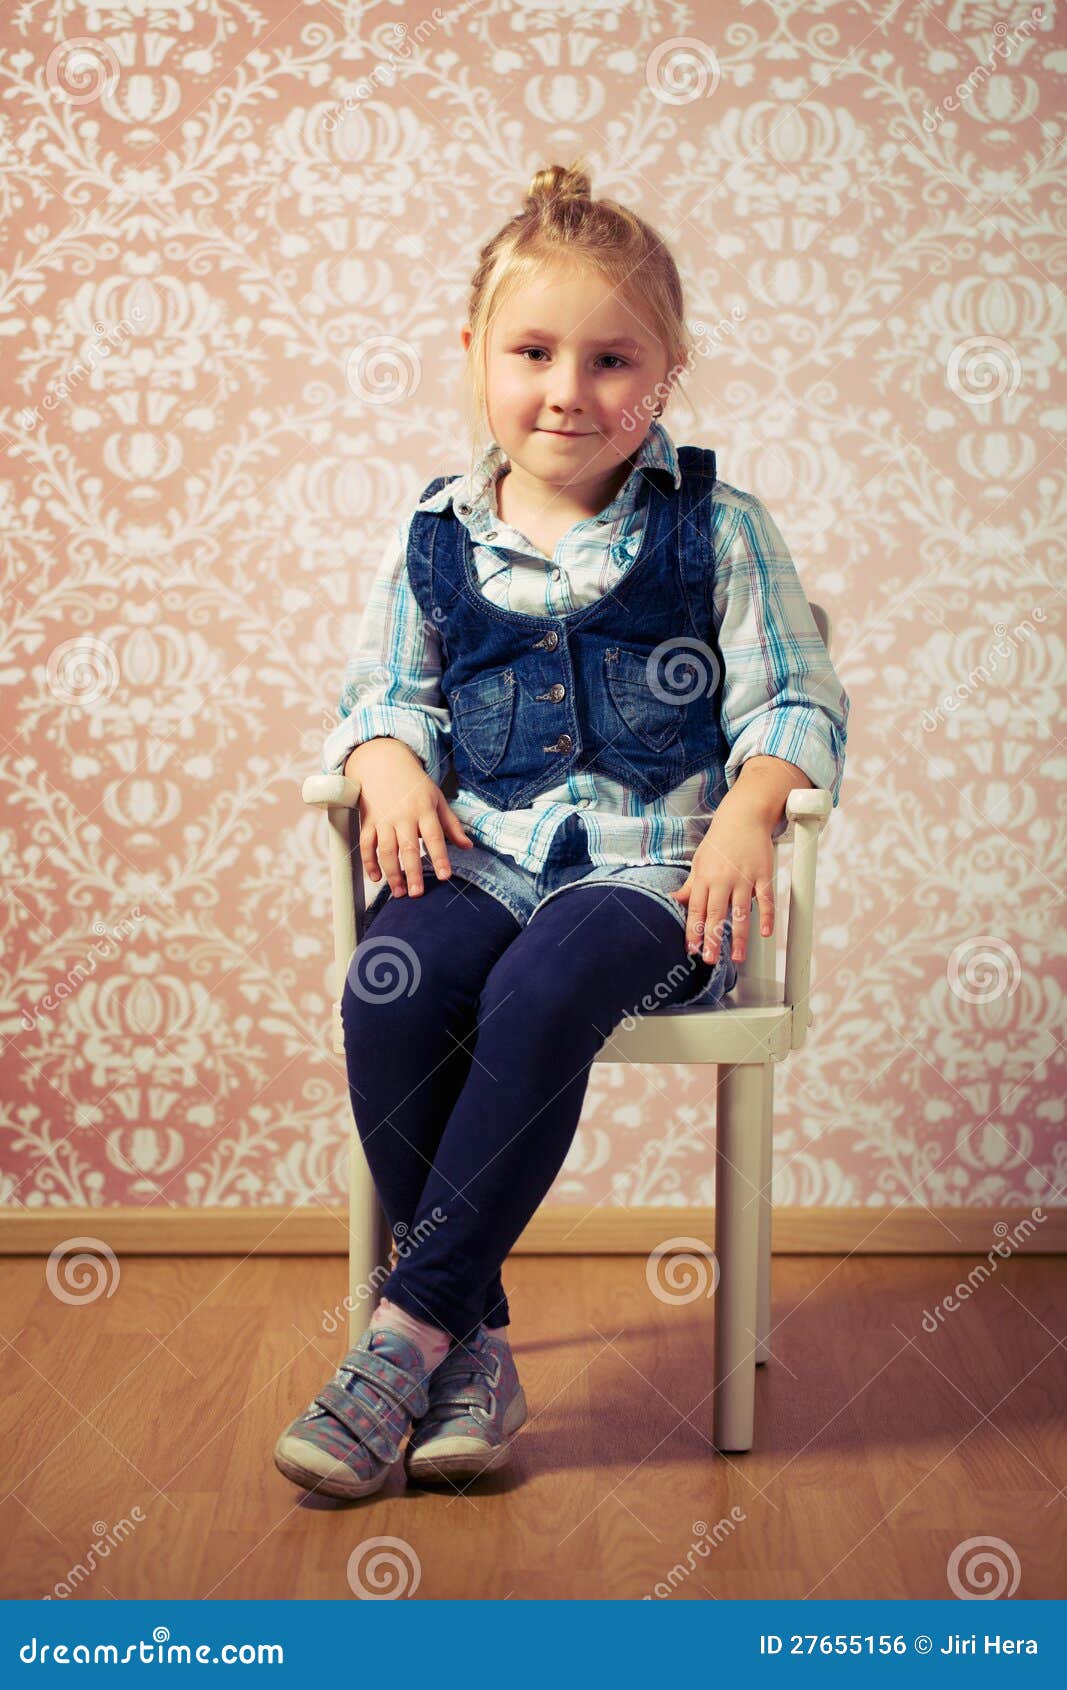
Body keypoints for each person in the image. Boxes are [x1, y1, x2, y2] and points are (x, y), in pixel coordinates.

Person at [274, 158, 850, 1502]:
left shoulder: (720, 527)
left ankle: (404, 1334)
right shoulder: (434, 531)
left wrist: (751, 811)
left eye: (611, 359)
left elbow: (798, 698)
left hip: (656, 882)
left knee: (539, 989)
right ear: (473, 352)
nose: (567, 390)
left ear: (668, 371)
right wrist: (387, 761)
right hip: (476, 857)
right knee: (389, 980)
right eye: (532, 351)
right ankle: (475, 1349)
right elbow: (381, 693)